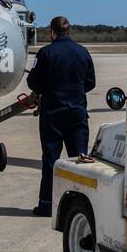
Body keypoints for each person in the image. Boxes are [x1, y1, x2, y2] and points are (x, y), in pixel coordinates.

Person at [27, 15, 96, 216]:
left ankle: (47, 205)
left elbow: (34, 83)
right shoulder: (83, 52)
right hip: (76, 113)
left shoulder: (46, 53)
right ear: (69, 31)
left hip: (53, 114)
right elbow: (91, 83)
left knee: (51, 160)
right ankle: (82, 206)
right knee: (80, 161)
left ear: (52, 32)